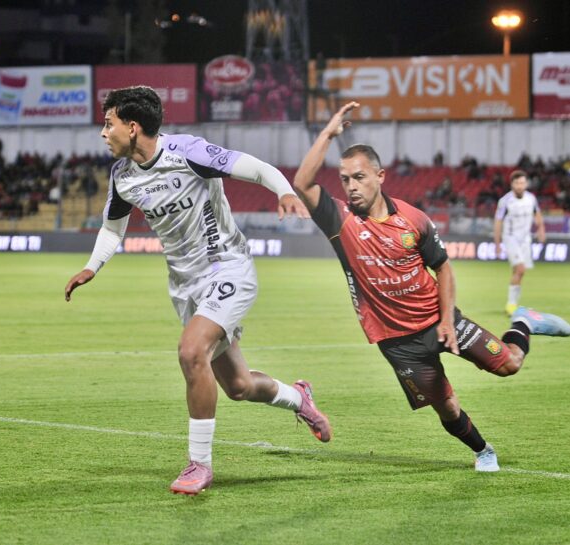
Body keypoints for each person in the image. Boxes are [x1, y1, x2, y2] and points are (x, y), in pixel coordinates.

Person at [64, 86, 331, 495]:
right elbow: (113, 228)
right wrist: (91, 266)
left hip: (227, 268)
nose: (103, 132)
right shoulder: (122, 176)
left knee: (191, 352)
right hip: (185, 287)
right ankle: (299, 398)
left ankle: (199, 465)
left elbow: (257, 168)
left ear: (132, 127)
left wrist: (284, 191)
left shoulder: (189, 153)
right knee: (238, 386)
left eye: (108, 123)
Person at [293, 102, 570, 473]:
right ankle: (483, 451)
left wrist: (446, 319)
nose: (351, 186)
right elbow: (302, 183)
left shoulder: (414, 220)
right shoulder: (339, 219)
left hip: (440, 321)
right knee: (447, 407)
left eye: (359, 177)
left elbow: (443, 267)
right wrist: (328, 133)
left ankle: (524, 320)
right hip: (397, 342)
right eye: (345, 180)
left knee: (510, 364)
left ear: (380, 176)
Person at [493, 171, 546, 316]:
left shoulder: (531, 198)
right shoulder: (505, 201)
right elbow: (498, 222)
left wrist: (541, 229)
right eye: (517, 183)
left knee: (519, 272)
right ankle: (511, 304)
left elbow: (537, 214)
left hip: (525, 239)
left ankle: (513, 303)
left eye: (522, 183)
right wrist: (497, 243)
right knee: (520, 269)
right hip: (511, 238)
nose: (519, 186)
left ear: (526, 184)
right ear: (512, 184)